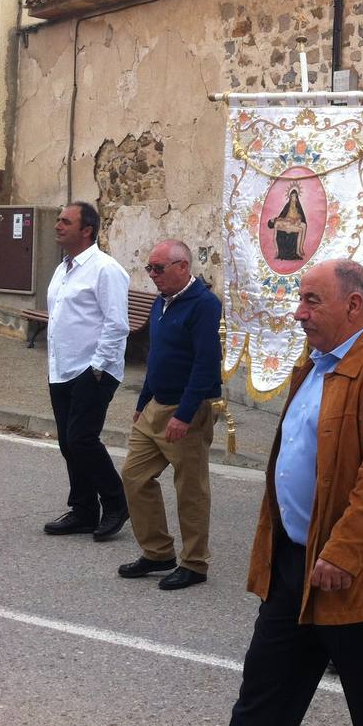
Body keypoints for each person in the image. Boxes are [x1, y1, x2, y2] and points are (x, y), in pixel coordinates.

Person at [223, 260, 363, 726]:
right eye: (300, 301)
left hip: (354, 575)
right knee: (262, 704)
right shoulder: (313, 363)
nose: (298, 313)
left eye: (312, 301)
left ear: (354, 305)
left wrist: (342, 553)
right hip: (294, 567)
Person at [118, 240, 222, 590]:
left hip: (186, 410)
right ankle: (158, 551)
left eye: (158, 269)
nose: (152, 275)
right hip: (155, 406)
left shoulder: (204, 305)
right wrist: (141, 402)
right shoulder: (160, 303)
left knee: (190, 489)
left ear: (182, 267)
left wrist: (186, 414)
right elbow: (156, 357)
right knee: (134, 476)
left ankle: (194, 563)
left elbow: (206, 365)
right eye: (149, 268)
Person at [41, 202, 131, 541]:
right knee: (68, 442)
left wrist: (97, 367)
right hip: (62, 367)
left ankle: (115, 502)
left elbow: (116, 324)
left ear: (87, 230)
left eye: (66, 221)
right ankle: (83, 510)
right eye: (59, 220)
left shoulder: (105, 269)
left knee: (81, 438)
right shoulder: (63, 268)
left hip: (93, 370)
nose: (58, 225)